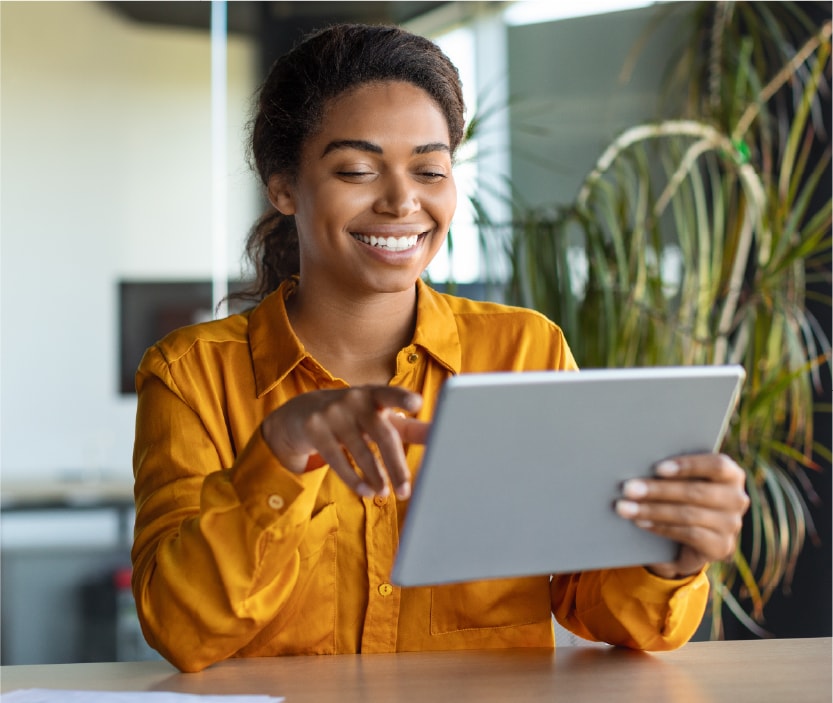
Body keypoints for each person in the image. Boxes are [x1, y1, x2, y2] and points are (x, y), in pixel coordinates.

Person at [131, 23, 750, 673]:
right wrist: (278, 456)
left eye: (429, 169)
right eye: (357, 170)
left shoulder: (523, 350)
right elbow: (180, 629)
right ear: (282, 186)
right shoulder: (190, 374)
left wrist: (665, 554)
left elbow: (596, 605)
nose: (402, 201)